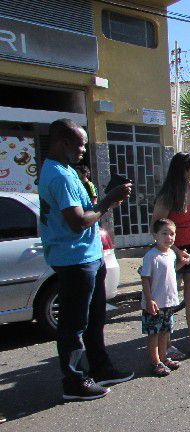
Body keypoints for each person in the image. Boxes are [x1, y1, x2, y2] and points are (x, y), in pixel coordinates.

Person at [39, 119, 134, 401]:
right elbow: (78, 221)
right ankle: (75, 381)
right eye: (78, 143)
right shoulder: (59, 175)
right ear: (61, 143)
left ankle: (101, 367)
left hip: (89, 255)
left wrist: (108, 201)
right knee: (74, 324)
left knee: (94, 319)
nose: (83, 149)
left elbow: (86, 212)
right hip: (74, 260)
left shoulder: (66, 170)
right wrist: (108, 201)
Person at [152, 152, 190, 358]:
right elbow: (156, 226)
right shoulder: (168, 195)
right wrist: (176, 251)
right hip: (171, 251)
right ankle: (166, 345)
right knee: (168, 300)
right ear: (183, 171)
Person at [140, 219, 190, 376]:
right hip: (155, 303)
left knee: (165, 332)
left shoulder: (170, 254)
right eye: (164, 233)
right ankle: (156, 362)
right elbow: (145, 278)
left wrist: (182, 264)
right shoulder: (151, 256)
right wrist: (149, 300)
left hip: (168, 302)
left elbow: (170, 271)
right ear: (155, 235)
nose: (169, 237)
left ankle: (164, 357)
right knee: (154, 334)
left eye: (172, 234)